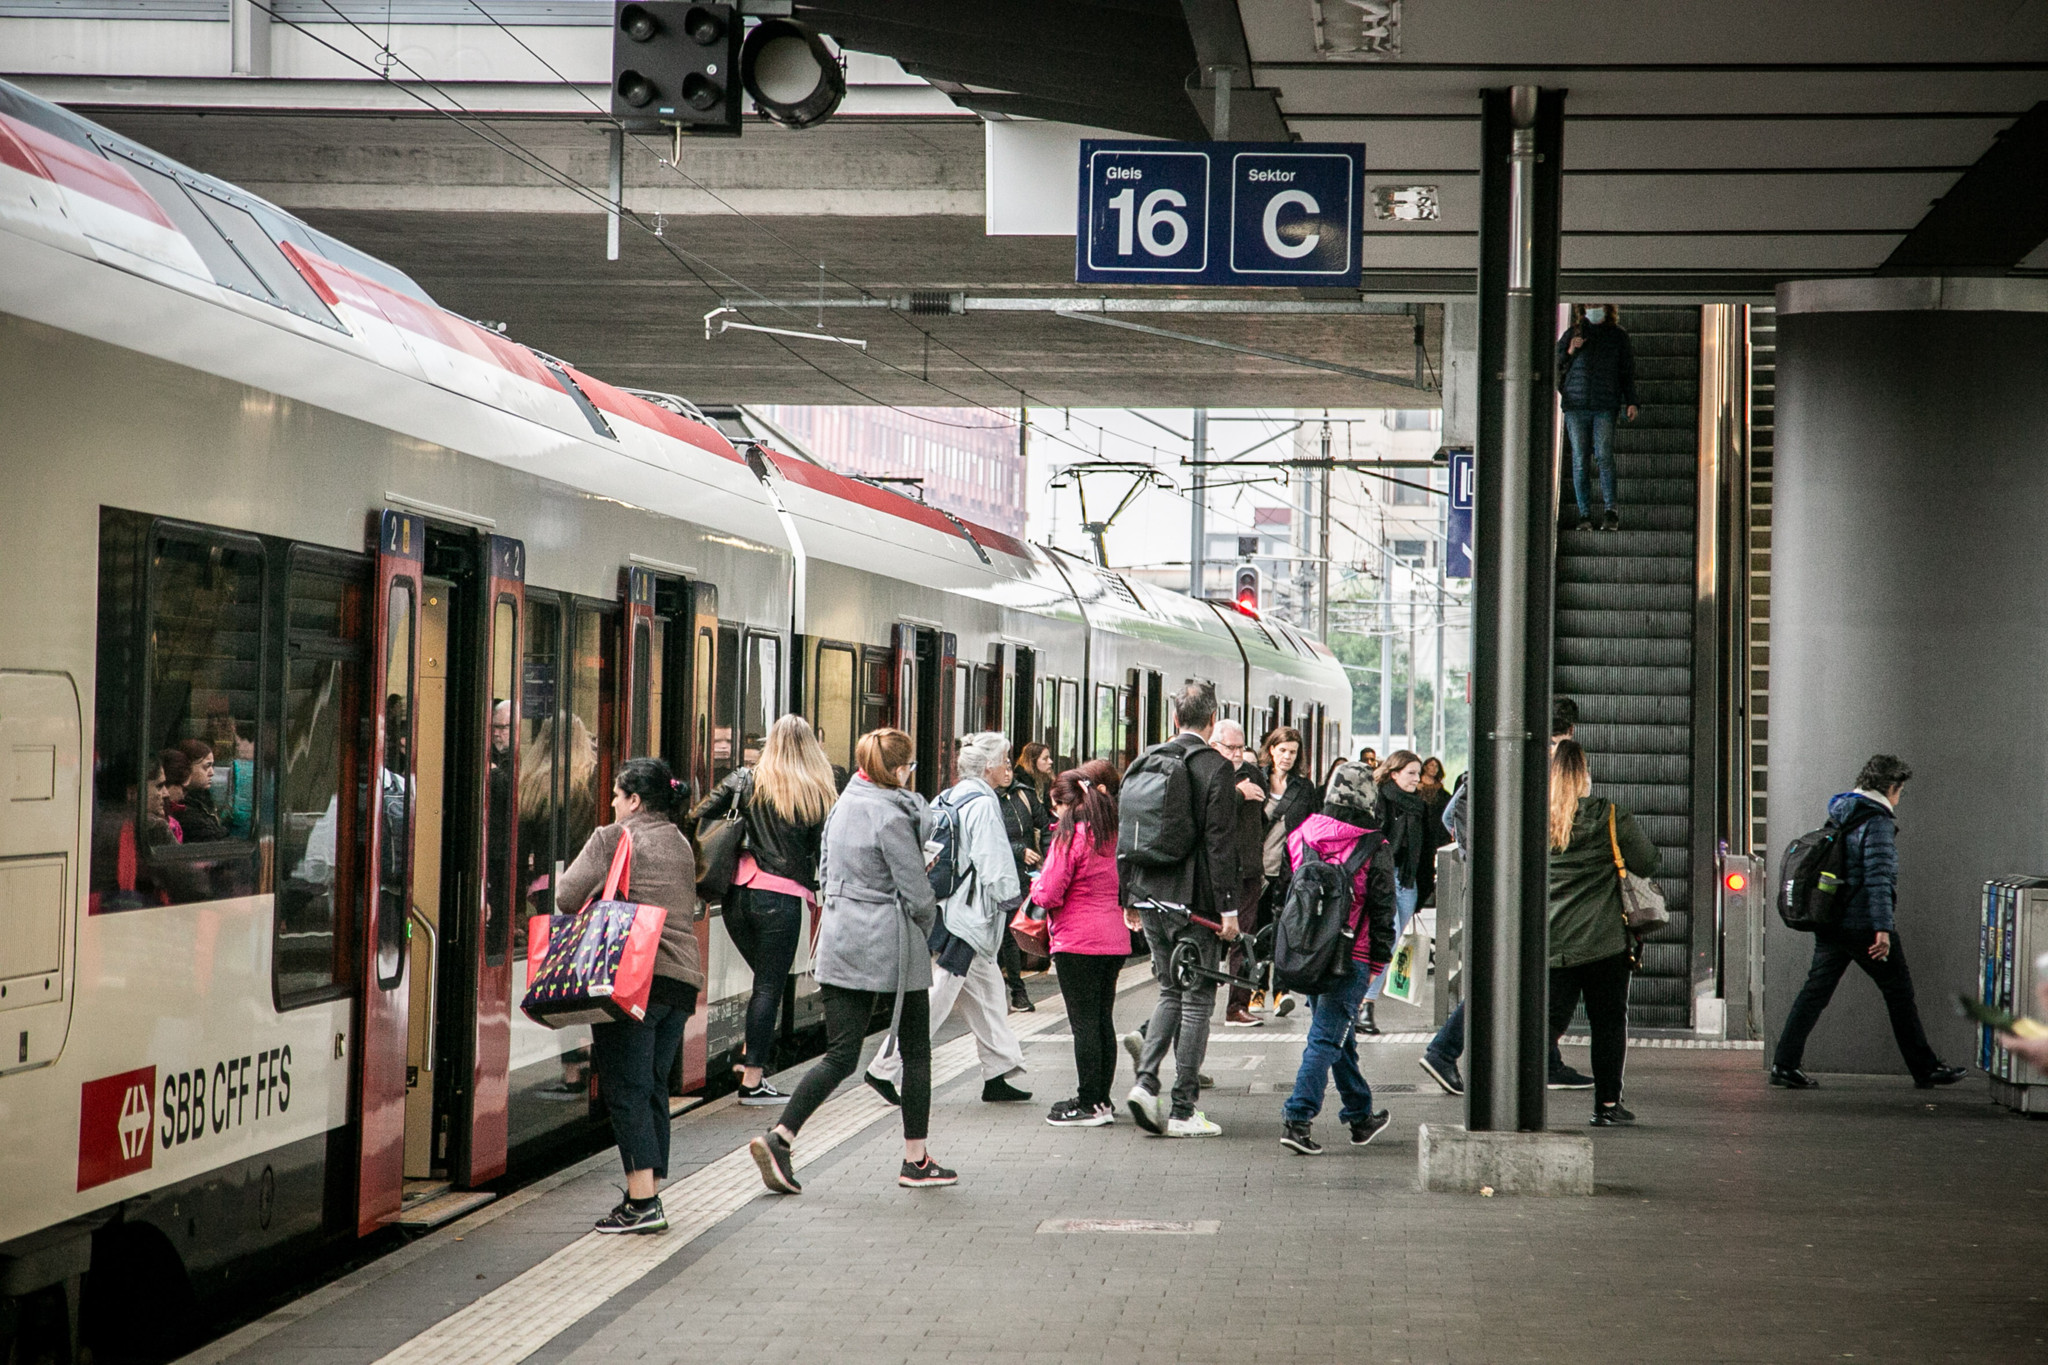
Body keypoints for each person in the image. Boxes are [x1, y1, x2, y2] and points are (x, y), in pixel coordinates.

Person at [751, 728, 958, 1194]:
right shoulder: (890, 814)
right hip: (889, 942)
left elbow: (827, 869)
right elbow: (916, 892)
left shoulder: (843, 804)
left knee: (841, 1054)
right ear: (900, 770)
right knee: (916, 1052)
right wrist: (931, 927)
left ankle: (781, 1137)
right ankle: (916, 1160)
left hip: (841, 938)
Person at [557, 757, 702, 1233]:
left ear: (634, 800)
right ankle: (651, 1193)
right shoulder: (681, 840)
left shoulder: (614, 836)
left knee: (626, 1089)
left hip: (630, 979)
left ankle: (642, 1203)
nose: (613, 804)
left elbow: (566, 894)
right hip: (680, 983)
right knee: (654, 1085)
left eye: (618, 796)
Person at [1768, 755, 1966, 1091]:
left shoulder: (1842, 813)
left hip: (1831, 922)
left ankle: (1784, 1064)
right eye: (1899, 791)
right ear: (1891, 787)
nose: (1898, 798)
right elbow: (1878, 878)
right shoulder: (1877, 822)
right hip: (1863, 925)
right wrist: (1883, 929)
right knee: (1899, 992)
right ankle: (1925, 1067)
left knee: (1814, 992)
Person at [865, 732, 1032, 1106]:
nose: (1008, 767)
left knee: (988, 993)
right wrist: (1011, 899)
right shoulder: (984, 805)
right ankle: (884, 1067)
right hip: (967, 919)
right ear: (988, 767)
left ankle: (999, 1070)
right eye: (1005, 761)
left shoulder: (946, 797)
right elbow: (993, 859)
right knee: (938, 995)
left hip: (946, 909)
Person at [689, 715, 836, 1106]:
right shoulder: (817, 790)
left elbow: (698, 815)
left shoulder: (744, 779)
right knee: (769, 986)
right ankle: (752, 1079)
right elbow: (826, 851)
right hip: (781, 900)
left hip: (737, 897)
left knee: (763, 984)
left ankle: (749, 1056)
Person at [1120, 682, 1241, 1139]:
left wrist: (1126, 897)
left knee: (1169, 991)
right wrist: (1229, 910)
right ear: (1213, 721)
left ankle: (1146, 1083)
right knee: (1197, 1002)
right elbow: (1220, 846)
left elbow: (1126, 837)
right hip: (1195, 906)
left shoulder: (1144, 760)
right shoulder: (1215, 767)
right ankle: (1184, 1108)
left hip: (1149, 895)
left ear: (1174, 719)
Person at [1279, 763, 1396, 1154]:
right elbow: (1383, 910)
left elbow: (1288, 892)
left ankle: (1360, 1115)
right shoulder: (1374, 846)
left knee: (1336, 1035)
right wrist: (1379, 961)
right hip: (1351, 955)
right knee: (1327, 1037)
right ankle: (1298, 1118)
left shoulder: (1301, 836)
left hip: (1309, 952)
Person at [1545, 739, 1657, 1125]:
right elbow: (1647, 861)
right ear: (1585, 776)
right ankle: (1607, 1107)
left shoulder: (1532, 817)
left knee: (1546, 1022)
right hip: (1605, 942)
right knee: (1608, 1023)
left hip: (1551, 942)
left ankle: (1516, 1098)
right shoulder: (1610, 815)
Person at [1033, 760, 1129, 1126]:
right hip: (1116, 940)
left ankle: (1089, 1103)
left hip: (1077, 941)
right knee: (1103, 1020)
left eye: (1057, 805)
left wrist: (1034, 886)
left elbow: (1049, 891)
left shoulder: (1071, 834)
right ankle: (1102, 1100)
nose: (1055, 813)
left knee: (1084, 1024)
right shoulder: (1116, 833)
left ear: (1070, 803)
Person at [1360, 750, 1428, 1036]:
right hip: (1384, 878)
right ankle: (1365, 1005)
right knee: (1385, 942)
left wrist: (1424, 891)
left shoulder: (1420, 806)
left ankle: (1363, 1003)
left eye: (1418, 773)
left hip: (1408, 882)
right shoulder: (1379, 799)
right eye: (1411, 773)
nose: (1417, 779)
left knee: (1392, 942)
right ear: (1394, 773)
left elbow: (1427, 848)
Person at [1556, 303, 1640, 532]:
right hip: (1576, 405)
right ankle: (1584, 515)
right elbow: (1556, 363)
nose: (1594, 309)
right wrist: (1570, 350)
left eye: (1598, 305)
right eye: (1590, 305)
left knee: (1604, 456)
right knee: (1580, 461)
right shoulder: (1573, 333)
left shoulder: (1617, 336)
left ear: (1607, 308)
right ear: (1583, 309)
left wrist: (1631, 400)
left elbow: (1626, 370)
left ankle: (1610, 511)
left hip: (1605, 404)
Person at [1257, 726, 1320, 1019]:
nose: (1287, 757)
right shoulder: (1255, 780)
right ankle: (1256, 988)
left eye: (1293, 752)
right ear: (1271, 750)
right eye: (1282, 750)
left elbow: (1311, 829)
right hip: (1257, 868)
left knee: (1284, 930)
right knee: (1256, 932)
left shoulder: (1304, 788)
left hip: (1288, 870)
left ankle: (1281, 992)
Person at [1213, 720, 1270, 1027]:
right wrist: (1237, 794)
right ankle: (1200, 999)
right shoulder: (1205, 773)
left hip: (1247, 870)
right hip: (1214, 871)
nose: (1236, 754)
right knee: (1209, 936)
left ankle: (1238, 1005)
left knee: (1244, 939)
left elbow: (1263, 819)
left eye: (1240, 747)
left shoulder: (1254, 775)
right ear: (1214, 746)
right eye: (1230, 748)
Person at [990, 748, 1044, 1008]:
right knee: (1009, 933)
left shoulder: (1024, 794)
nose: (1009, 773)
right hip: (1002, 872)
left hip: (1026, 874)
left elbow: (1044, 825)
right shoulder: (988, 800)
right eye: (1005, 768)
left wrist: (1046, 856)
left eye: (1011, 768)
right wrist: (1019, 851)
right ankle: (1017, 992)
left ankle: (1013, 989)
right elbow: (991, 835)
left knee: (1015, 930)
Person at [172, 739, 228, 843]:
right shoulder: (183, 809)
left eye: (212, 766)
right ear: (187, 768)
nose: (212, 772)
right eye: (206, 766)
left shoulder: (203, 799)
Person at [1417, 756, 1452, 908]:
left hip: (1435, 830)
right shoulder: (1415, 788)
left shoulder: (1441, 791)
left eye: (1436, 766)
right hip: (1419, 829)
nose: (1433, 769)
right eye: (1430, 765)